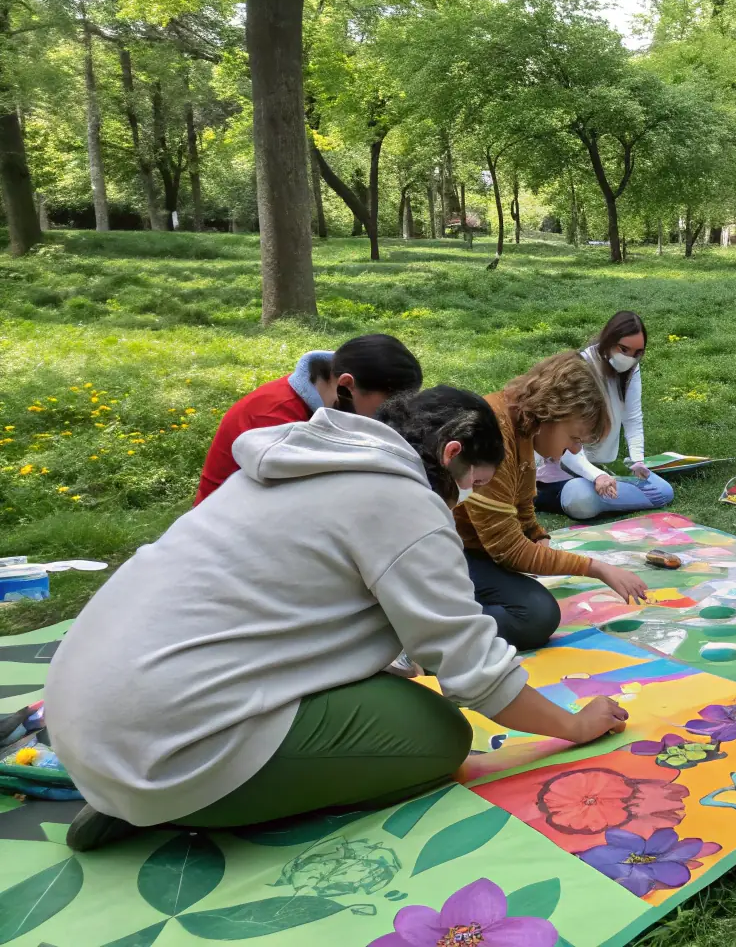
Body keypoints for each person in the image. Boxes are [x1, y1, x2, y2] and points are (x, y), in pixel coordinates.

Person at [45, 387, 630, 852]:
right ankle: (183, 803)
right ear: (451, 454)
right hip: (172, 745)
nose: (463, 501)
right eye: (471, 486)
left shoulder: (290, 465)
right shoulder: (404, 501)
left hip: (89, 716)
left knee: (387, 691)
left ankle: (134, 788)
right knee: (441, 735)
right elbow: (473, 669)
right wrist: (573, 727)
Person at [457, 352, 650, 650]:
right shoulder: (494, 435)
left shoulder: (522, 425)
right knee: (535, 616)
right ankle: (434, 625)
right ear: (552, 412)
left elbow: (521, 502)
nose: (574, 450)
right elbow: (509, 550)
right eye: (574, 438)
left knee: (538, 611)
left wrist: (537, 534)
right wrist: (597, 568)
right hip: (447, 552)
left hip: (472, 551)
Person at [195, 333, 422, 503]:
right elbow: (300, 502)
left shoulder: (331, 396)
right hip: (228, 528)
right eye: (384, 409)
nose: (386, 419)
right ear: (346, 385)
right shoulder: (276, 417)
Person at [535, 312, 674, 520]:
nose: (630, 358)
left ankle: (599, 492)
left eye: (637, 353)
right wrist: (596, 475)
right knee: (580, 497)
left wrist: (638, 460)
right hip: (561, 473)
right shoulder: (578, 371)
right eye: (624, 349)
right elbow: (562, 442)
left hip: (597, 471)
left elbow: (633, 418)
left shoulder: (631, 370)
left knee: (662, 491)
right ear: (608, 340)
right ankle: (548, 496)